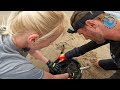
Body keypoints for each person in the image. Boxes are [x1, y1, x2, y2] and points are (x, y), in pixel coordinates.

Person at [0, 11, 69, 79]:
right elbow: (52, 78)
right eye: (50, 41)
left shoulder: (16, 32)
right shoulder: (19, 68)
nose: (52, 44)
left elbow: (30, 48)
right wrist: (70, 74)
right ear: (33, 39)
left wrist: (48, 62)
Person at [57, 11, 120, 79]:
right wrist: (66, 55)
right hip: (116, 59)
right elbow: (90, 45)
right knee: (98, 63)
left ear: (91, 24)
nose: (86, 38)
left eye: (82, 33)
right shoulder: (110, 28)